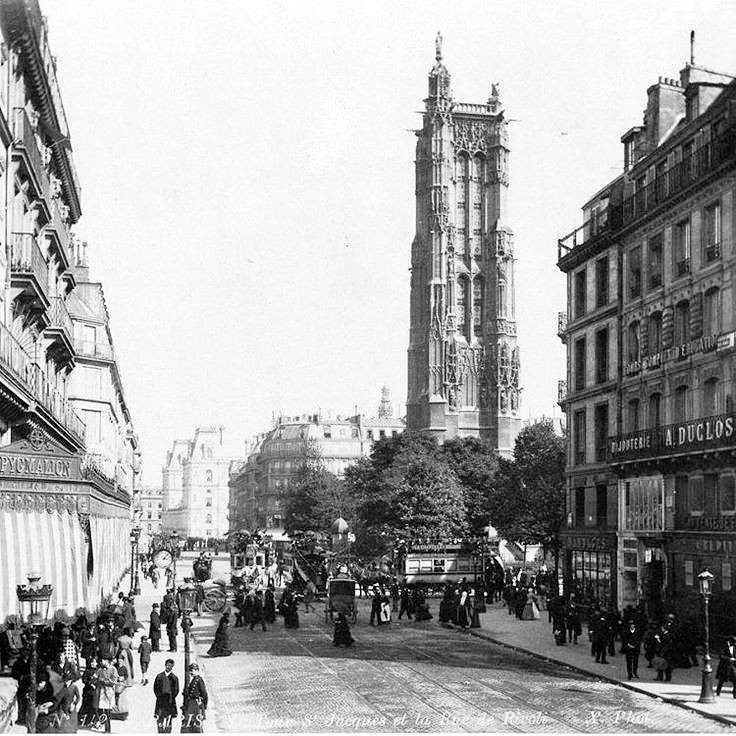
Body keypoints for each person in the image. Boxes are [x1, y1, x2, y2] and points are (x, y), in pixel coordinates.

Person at [153, 659, 179, 733]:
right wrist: (159, 696)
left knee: (169, 719)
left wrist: (172, 697)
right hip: (161, 701)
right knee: (160, 718)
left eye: (171, 666)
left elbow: (176, 690)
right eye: (167, 665)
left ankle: (167, 732)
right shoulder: (159, 676)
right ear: (165, 665)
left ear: (172, 667)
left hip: (170, 701)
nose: (169, 667)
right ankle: (160, 732)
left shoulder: (174, 678)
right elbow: (155, 688)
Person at [181, 663, 208, 733]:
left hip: (196, 704)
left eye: (192, 670)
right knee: (191, 723)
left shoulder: (199, 680)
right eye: (190, 671)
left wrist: (204, 704)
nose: (190, 672)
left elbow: (204, 693)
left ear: (197, 670)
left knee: (197, 723)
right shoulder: (194, 679)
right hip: (191, 704)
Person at [96, 657, 118, 733]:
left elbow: (114, 681)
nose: (101, 661)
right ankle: (101, 724)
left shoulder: (113, 669)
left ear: (107, 661)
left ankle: (108, 729)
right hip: (102, 691)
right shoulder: (100, 669)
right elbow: (96, 679)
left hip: (109, 692)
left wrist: (106, 682)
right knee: (102, 710)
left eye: (103, 660)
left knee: (107, 711)